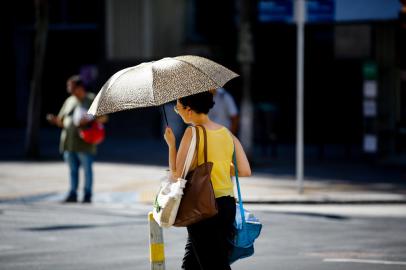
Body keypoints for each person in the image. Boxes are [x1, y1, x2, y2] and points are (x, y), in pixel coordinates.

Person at [163, 91, 251, 270]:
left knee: (214, 264)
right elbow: (244, 170)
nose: (177, 111)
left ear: (189, 110)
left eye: (177, 108)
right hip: (227, 205)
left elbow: (176, 174)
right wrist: (219, 165)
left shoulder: (192, 132)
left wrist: (171, 145)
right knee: (192, 263)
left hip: (203, 206)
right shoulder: (226, 133)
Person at [47, 75, 103, 203]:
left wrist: (89, 119)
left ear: (79, 87)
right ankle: (73, 193)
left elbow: (104, 118)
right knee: (72, 170)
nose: (68, 89)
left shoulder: (91, 99)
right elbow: (61, 121)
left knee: (87, 169)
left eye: (70, 86)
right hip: (69, 143)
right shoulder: (69, 101)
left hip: (85, 143)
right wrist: (55, 120)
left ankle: (87, 194)